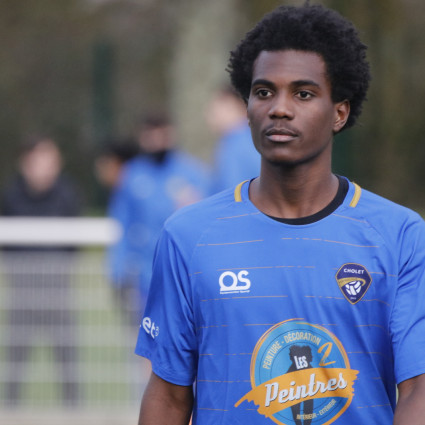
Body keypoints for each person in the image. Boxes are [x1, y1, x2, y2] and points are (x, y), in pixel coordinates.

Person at [135, 4, 425, 425]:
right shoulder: (188, 235)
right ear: (247, 106)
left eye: (303, 94)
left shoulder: (400, 235)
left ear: (339, 112)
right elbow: (168, 396)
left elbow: (418, 389)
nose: (279, 109)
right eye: (264, 92)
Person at [1, 136, 82, 406]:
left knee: (68, 359)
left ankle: (75, 413)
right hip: (22, 291)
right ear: (26, 163)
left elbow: (74, 244)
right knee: (15, 361)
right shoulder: (11, 196)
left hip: (58, 290)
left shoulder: (67, 194)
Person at [108, 115, 210, 324]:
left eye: (161, 135)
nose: (156, 141)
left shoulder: (192, 173)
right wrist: (117, 269)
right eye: (150, 136)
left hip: (184, 274)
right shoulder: (132, 174)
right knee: (147, 333)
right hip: (145, 276)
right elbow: (122, 223)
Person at [206, 85, 260, 193]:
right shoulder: (253, 137)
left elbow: (233, 194)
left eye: (216, 105)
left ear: (232, 105)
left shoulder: (236, 145)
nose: (209, 114)